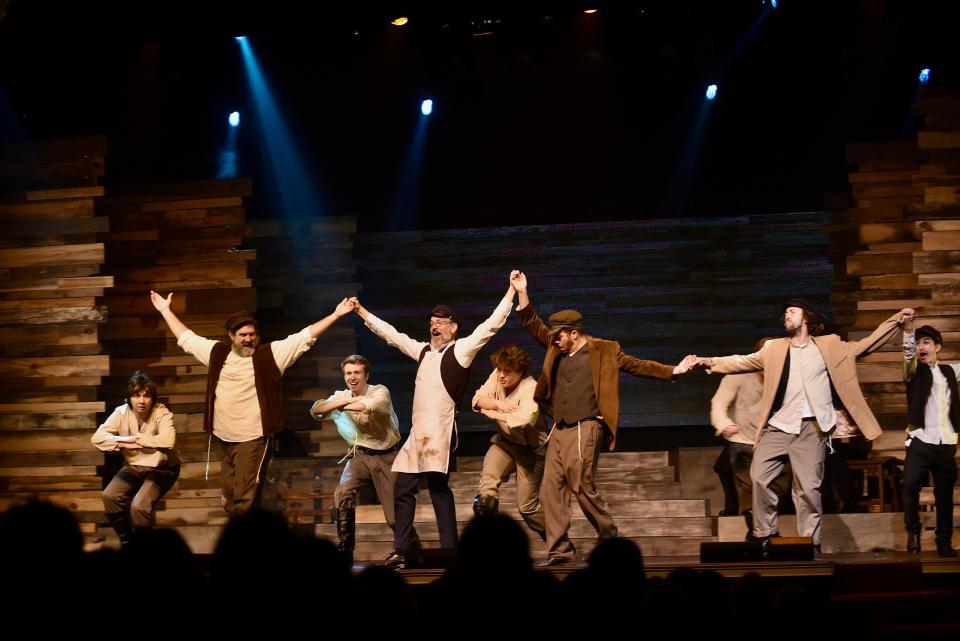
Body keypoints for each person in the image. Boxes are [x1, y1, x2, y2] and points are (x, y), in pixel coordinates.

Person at [511, 271, 699, 566]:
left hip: (586, 425)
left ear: (574, 333)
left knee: (582, 484)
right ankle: (560, 551)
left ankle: (608, 535)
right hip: (559, 428)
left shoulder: (604, 350)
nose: (554, 339)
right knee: (551, 489)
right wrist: (522, 292)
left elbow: (637, 365)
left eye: (559, 334)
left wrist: (672, 370)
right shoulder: (555, 348)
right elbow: (532, 323)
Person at [698, 299, 910, 557]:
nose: (786, 314)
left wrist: (895, 321)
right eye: (785, 311)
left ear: (807, 318)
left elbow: (866, 345)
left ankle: (811, 543)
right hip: (778, 426)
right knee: (759, 477)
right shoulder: (774, 348)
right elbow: (741, 361)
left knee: (808, 489)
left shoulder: (829, 346)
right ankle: (764, 534)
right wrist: (707, 361)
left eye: (792, 310)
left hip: (811, 428)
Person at [351, 274, 518, 568]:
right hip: (418, 436)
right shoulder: (423, 351)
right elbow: (393, 335)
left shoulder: (461, 349)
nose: (434, 325)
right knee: (403, 489)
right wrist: (363, 312)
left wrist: (510, 292)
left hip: (440, 432)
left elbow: (491, 325)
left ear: (453, 327)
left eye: (441, 321)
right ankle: (402, 550)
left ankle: (451, 551)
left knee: (439, 490)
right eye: (432, 321)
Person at [150, 290, 354, 517]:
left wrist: (335, 315)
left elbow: (304, 337)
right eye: (243, 335)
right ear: (231, 336)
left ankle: (244, 546)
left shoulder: (270, 355)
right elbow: (186, 338)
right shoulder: (216, 353)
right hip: (223, 436)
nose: (248, 339)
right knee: (228, 498)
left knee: (245, 498)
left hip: (253, 437)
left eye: (252, 334)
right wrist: (165, 310)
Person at [310, 354, 419, 563]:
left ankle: (410, 548)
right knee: (342, 493)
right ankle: (346, 549)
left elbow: (371, 406)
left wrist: (341, 404)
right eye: (348, 373)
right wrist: (343, 401)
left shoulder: (379, 391)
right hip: (359, 455)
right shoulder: (340, 395)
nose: (352, 377)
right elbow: (316, 410)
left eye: (357, 372)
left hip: (387, 456)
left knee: (393, 516)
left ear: (366, 375)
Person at [91, 370, 180, 546]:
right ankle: (127, 541)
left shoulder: (160, 412)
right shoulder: (121, 412)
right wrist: (125, 442)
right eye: (136, 395)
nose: (141, 400)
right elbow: (97, 438)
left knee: (139, 506)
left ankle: (143, 548)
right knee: (109, 496)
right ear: (129, 397)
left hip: (162, 467)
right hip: (134, 465)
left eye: (146, 396)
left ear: (152, 398)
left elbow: (168, 441)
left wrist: (136, 440)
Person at [471, 344, 547, 540]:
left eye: (508, 371)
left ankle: (560, 544)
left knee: (527, 507)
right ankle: (491, 541)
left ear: (520, 372)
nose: (502, 375)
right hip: (505, 444)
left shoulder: (530, 388)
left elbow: (524, 419)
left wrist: (494, 413)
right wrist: (499, 404)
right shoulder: (498, 374)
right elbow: (478, 398)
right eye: (500, 370)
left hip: (531, 451)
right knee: (485, 494)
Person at [901, 312, 958, 557]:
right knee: (910, 485)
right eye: (918, 342)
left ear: (937, 347)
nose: (921, 346)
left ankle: (943, 541)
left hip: (946, 443)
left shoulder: (950, 371)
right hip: (921, 439)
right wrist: (907, 329)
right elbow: (907, 353)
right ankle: (913, 532)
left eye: (926, 342)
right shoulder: (914, 371)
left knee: (944, 496)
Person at [709, 338, 767, 538]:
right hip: (741, 440)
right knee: (746, 483)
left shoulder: (784, 378)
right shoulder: (738, 376)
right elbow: (719, 403)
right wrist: (724, 424)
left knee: (772, 485)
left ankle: (761, 522)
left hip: (770, 440)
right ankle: (754, 526)